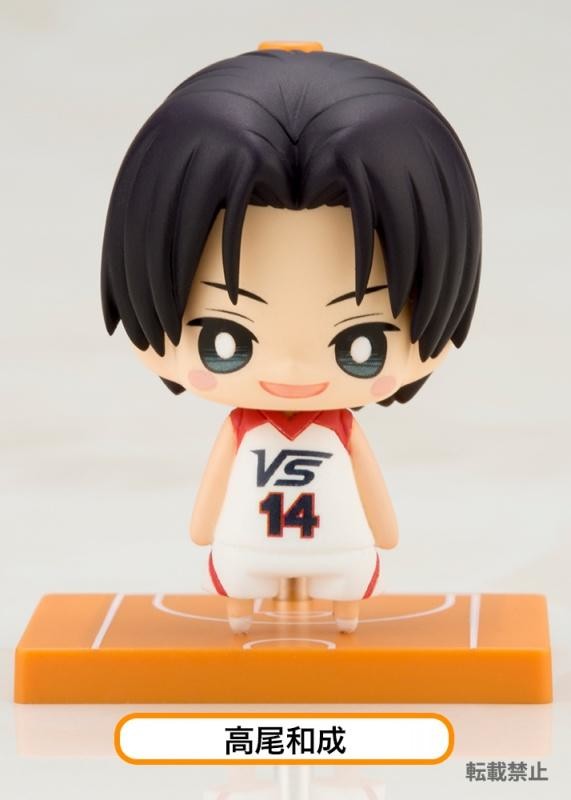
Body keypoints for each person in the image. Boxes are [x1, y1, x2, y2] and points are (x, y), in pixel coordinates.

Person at [101, 46, 481, 633]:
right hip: (248, 545)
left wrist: (381, 533)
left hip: (337, 547)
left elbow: (374, 506)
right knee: (242, 576)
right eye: (225, 339)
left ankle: (342, 608)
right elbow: (209, 512)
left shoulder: (339, 431)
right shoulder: (244, 429)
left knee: (342, 577)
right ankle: (243, 609)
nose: (292, 370)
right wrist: (205, 531)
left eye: (362, 344)